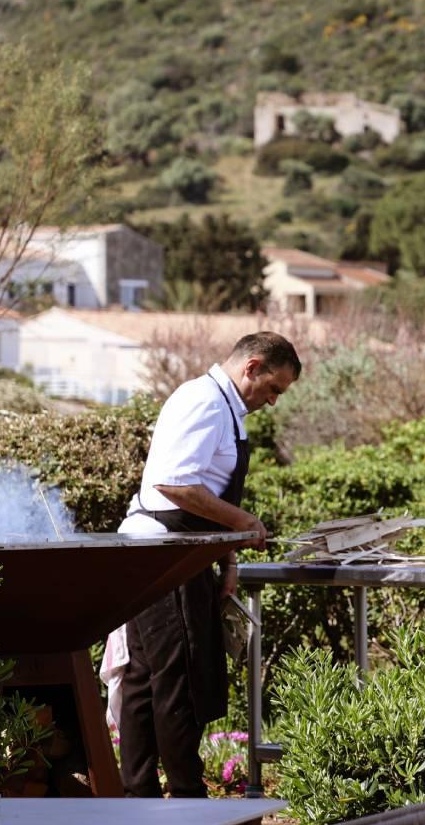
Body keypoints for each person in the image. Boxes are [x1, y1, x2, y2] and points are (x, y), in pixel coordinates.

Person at [110, 331, 300, 797]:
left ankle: (141, 797)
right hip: (163, 552)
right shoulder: (205, 401)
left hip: (184, 552)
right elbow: (175, 484)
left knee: (144, 677)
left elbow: (209, 490)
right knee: (176, 679)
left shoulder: (224, 406)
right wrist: (245, 522)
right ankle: (185, 799)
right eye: (273, 388)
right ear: (251, 367)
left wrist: (228, 559)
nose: (272, 401)